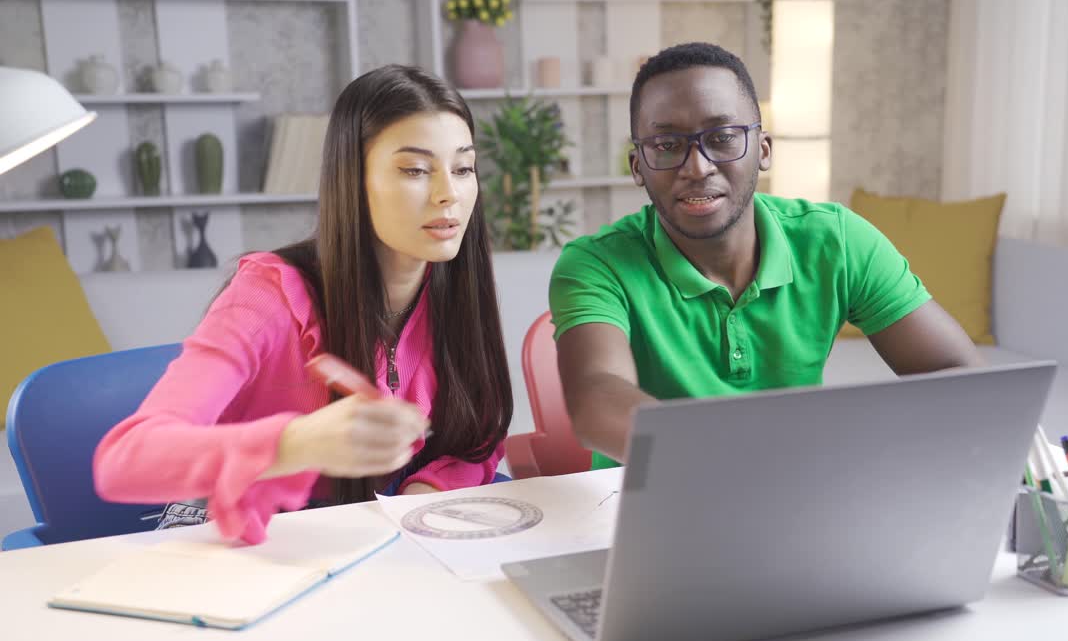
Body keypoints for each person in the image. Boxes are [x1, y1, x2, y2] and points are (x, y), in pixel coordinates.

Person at [94, 65, 512, 543]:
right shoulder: (267, 294)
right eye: (415, 170)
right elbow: (125, 459)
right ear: (352, 181)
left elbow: (477, 439)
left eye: (463, 168)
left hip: (367, 531)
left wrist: (423, 493)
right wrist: (295, 443)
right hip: (233, 536)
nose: (449, 195)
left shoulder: (454, 286)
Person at [549, 43, 982, 470]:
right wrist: (750, 462)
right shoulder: (595, 264)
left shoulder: (837, 240)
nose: (697, 167)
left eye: (722, 138)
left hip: (800, 496)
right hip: (646, 507)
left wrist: (858, 450)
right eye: (666, 144)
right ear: (638, 166)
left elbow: (957, 371)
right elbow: (596, 396)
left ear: (764, 150)